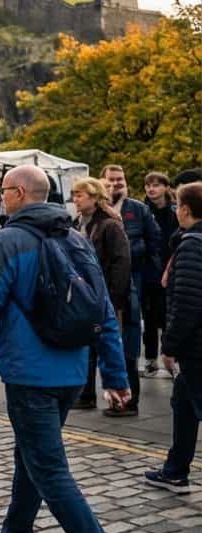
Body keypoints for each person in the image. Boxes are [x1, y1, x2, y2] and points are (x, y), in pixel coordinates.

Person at [0, 165, 128, 533]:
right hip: (72, 373)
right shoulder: (77, 240)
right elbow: (104, 312)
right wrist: (114, 375)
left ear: (18, 194)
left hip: (30, 375)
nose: (0, 198)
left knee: (50, 472)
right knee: (30, 455)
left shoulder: (7, 241)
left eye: (4, 192)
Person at [144, 181, 202, 493]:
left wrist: (170, 346)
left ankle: (176, 470)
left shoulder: (192, 245)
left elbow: (188, 304)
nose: (176, 210)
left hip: (195, 347)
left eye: (178, 204)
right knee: (182, 402)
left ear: (186, 210)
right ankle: (176, 470)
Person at [101, 164, 161, 416]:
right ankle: (112, 397)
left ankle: (129, 399)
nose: (116, 184)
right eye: (111, 180)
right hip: (106, 285)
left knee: (129, 343)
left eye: (120, 179)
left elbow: (154, 243)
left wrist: (129, 256)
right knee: (107, 343)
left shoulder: (138, 210)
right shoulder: (98, 211)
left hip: (134, 282)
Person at [70, 177, 134, 415]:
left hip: (105, 294)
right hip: (86, 295)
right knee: (88, 345)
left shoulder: (109, 225)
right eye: (74, 194)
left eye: (80, 194)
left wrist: (114, 299)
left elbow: (121, 263)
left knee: (110, 346)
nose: (75, 199)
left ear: (95, 198)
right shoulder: (78, 223)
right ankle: (86, 394)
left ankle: (121, 400)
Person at [142, 172, 178, 378]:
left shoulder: (174, 212)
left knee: (168, 318)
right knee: (149, 318)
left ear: (166, 187)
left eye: (156, 185)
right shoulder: (142, 210)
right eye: (148, 185)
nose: (151, 189)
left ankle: (170, 358)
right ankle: (150, 360)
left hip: (170, 269)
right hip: (150, 271)